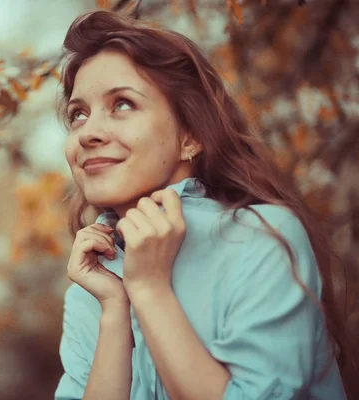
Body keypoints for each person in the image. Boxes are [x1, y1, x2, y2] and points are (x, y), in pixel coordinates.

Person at [54, 9, 354, 400]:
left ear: (191, 137)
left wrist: (149, 289)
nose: (89, 132)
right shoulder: (91, 284)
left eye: (123, 104)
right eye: (79, 114)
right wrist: (115, 311)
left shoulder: (260, 239)